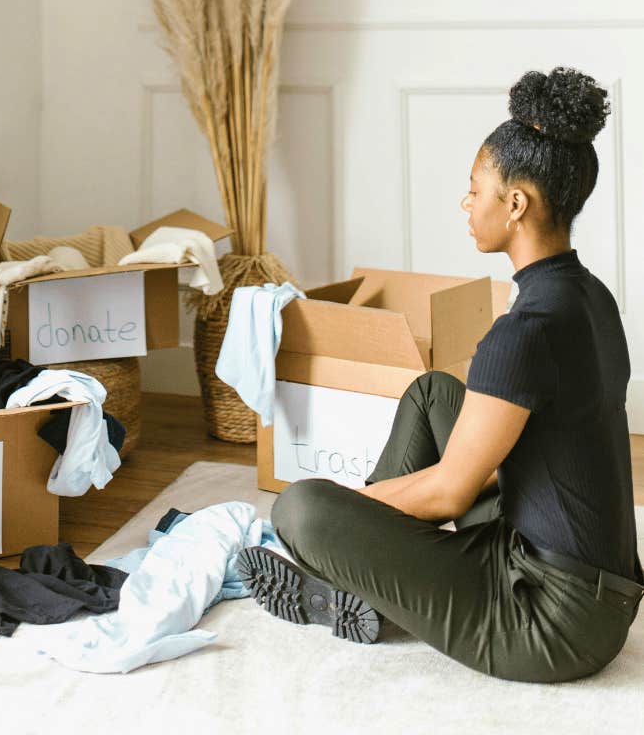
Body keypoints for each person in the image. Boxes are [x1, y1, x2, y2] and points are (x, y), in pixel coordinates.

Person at [237, 66, 643, 682]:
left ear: (515, 204)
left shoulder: (523, 332)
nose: (466, 203)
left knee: (299, 510)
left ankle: (351, 572)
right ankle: (364, 571)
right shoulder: (591, 298)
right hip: (587, 583)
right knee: (433, 394)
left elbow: (451, 493)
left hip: (552, 623)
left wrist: (347, 510)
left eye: (475, 190)